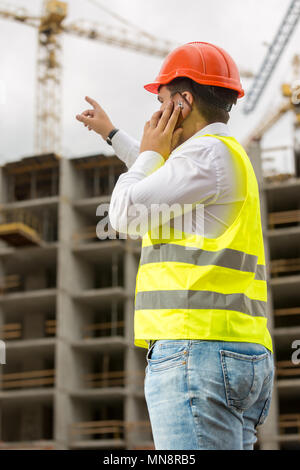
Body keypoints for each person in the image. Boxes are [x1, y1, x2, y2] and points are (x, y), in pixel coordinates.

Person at [76, 41, 274, 450]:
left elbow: (125, 213)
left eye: (163, 101)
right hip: (237, 353)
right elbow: (160, 175)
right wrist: (114, 135)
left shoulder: (205, 155)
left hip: (195, 354)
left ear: (184, 102)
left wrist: (148, 153)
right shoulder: (224, 156)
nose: (157, 113)